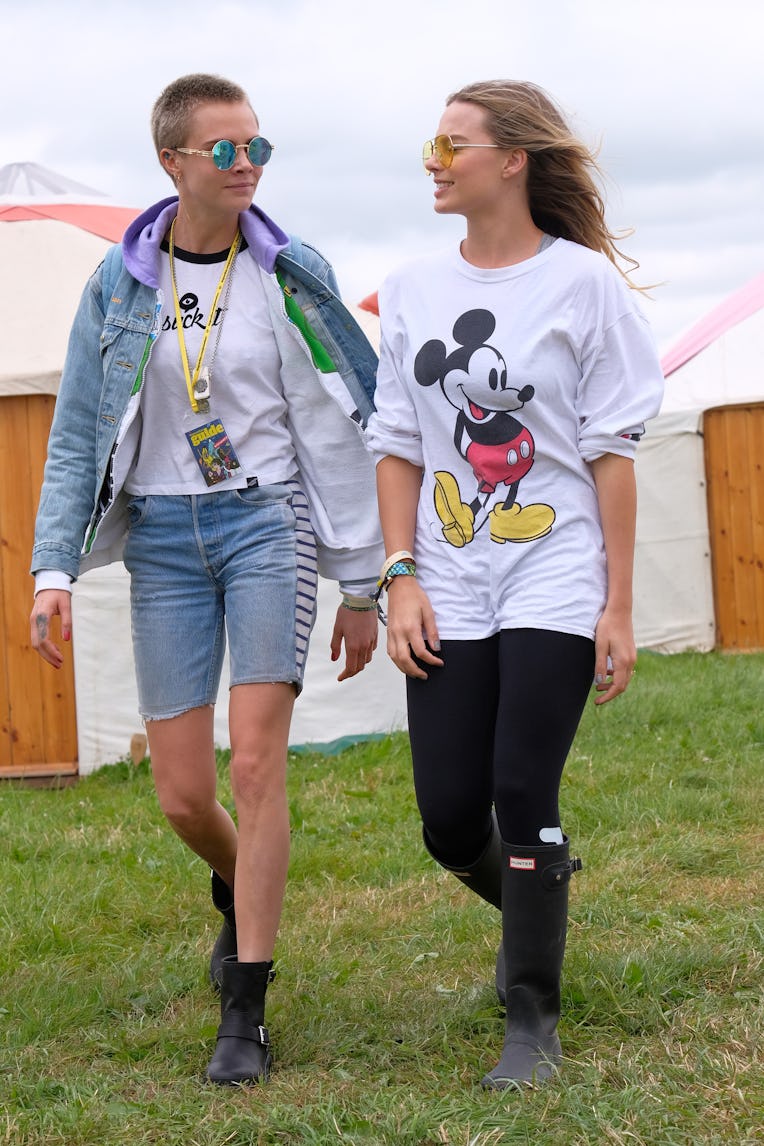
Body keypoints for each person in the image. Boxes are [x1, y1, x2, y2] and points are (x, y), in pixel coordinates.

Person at [30, 73, 382, 1086]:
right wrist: (54, 565)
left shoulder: (286, 270)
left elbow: (340, 422)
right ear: (172, 162)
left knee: (258, 763)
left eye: (256, 149)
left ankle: (247, 1005)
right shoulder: (118, 283)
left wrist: (361, 582)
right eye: (225, 150)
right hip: (164, 546)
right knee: (185, 794)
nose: (246, 167)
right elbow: (78, 434)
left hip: (266, 523)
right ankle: (245, 885)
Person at [366, 80, 664, 1089]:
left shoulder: (581, 287)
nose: (433, 160)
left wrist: (615, 601)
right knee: (448, 817)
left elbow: (611, 448)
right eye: (432, 142)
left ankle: (529, 1015)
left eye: (451, 143)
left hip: (551, 567)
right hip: (444, 573)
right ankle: (541, 893)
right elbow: (397, 441)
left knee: (519, 788)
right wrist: (397, 577)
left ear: (512, 160)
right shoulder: (407, 288)